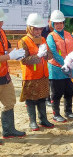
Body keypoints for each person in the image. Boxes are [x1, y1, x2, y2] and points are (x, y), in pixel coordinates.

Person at [18, 13, 54, 131]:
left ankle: (43, 119)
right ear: (29, 28)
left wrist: (45, 54)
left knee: (42, 98)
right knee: (31, 99)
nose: (38, 31)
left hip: (43, 75)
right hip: (31, 76)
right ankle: (33, 121)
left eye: (40, 29)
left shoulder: (43, 39)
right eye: (36, 28)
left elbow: (50, 55)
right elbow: (23, 60)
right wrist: (37, 56)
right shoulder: (23, 41)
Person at [47, 10, 73, 122]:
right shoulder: (51, 36)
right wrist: (65, 63)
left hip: (70, 69)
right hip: (57, 69)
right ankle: (56, 114)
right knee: (56, 93)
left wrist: (72, 62)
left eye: (61, 23)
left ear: (63, 23)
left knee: (69, 91)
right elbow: (54, 52)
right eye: (56, 23)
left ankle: (68, 111)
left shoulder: (69, 35)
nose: (59, 25)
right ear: (53, 24)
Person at [0, 8, 26, 145]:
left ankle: (8, 130)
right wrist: (10, 56)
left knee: (10, 102)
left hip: (4, 75)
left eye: (1, 21)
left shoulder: (2, 32)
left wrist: (16, 52)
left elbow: (7, 47)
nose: (0, 23)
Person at [41, 16, 54, 107]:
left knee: (51, 79)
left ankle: (51, 98)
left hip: (53, 57)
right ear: (49, 21)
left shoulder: (57, 32)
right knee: (46, 79)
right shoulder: (42, 31)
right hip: (44, 58)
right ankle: (46, 98)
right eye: (53, 22)